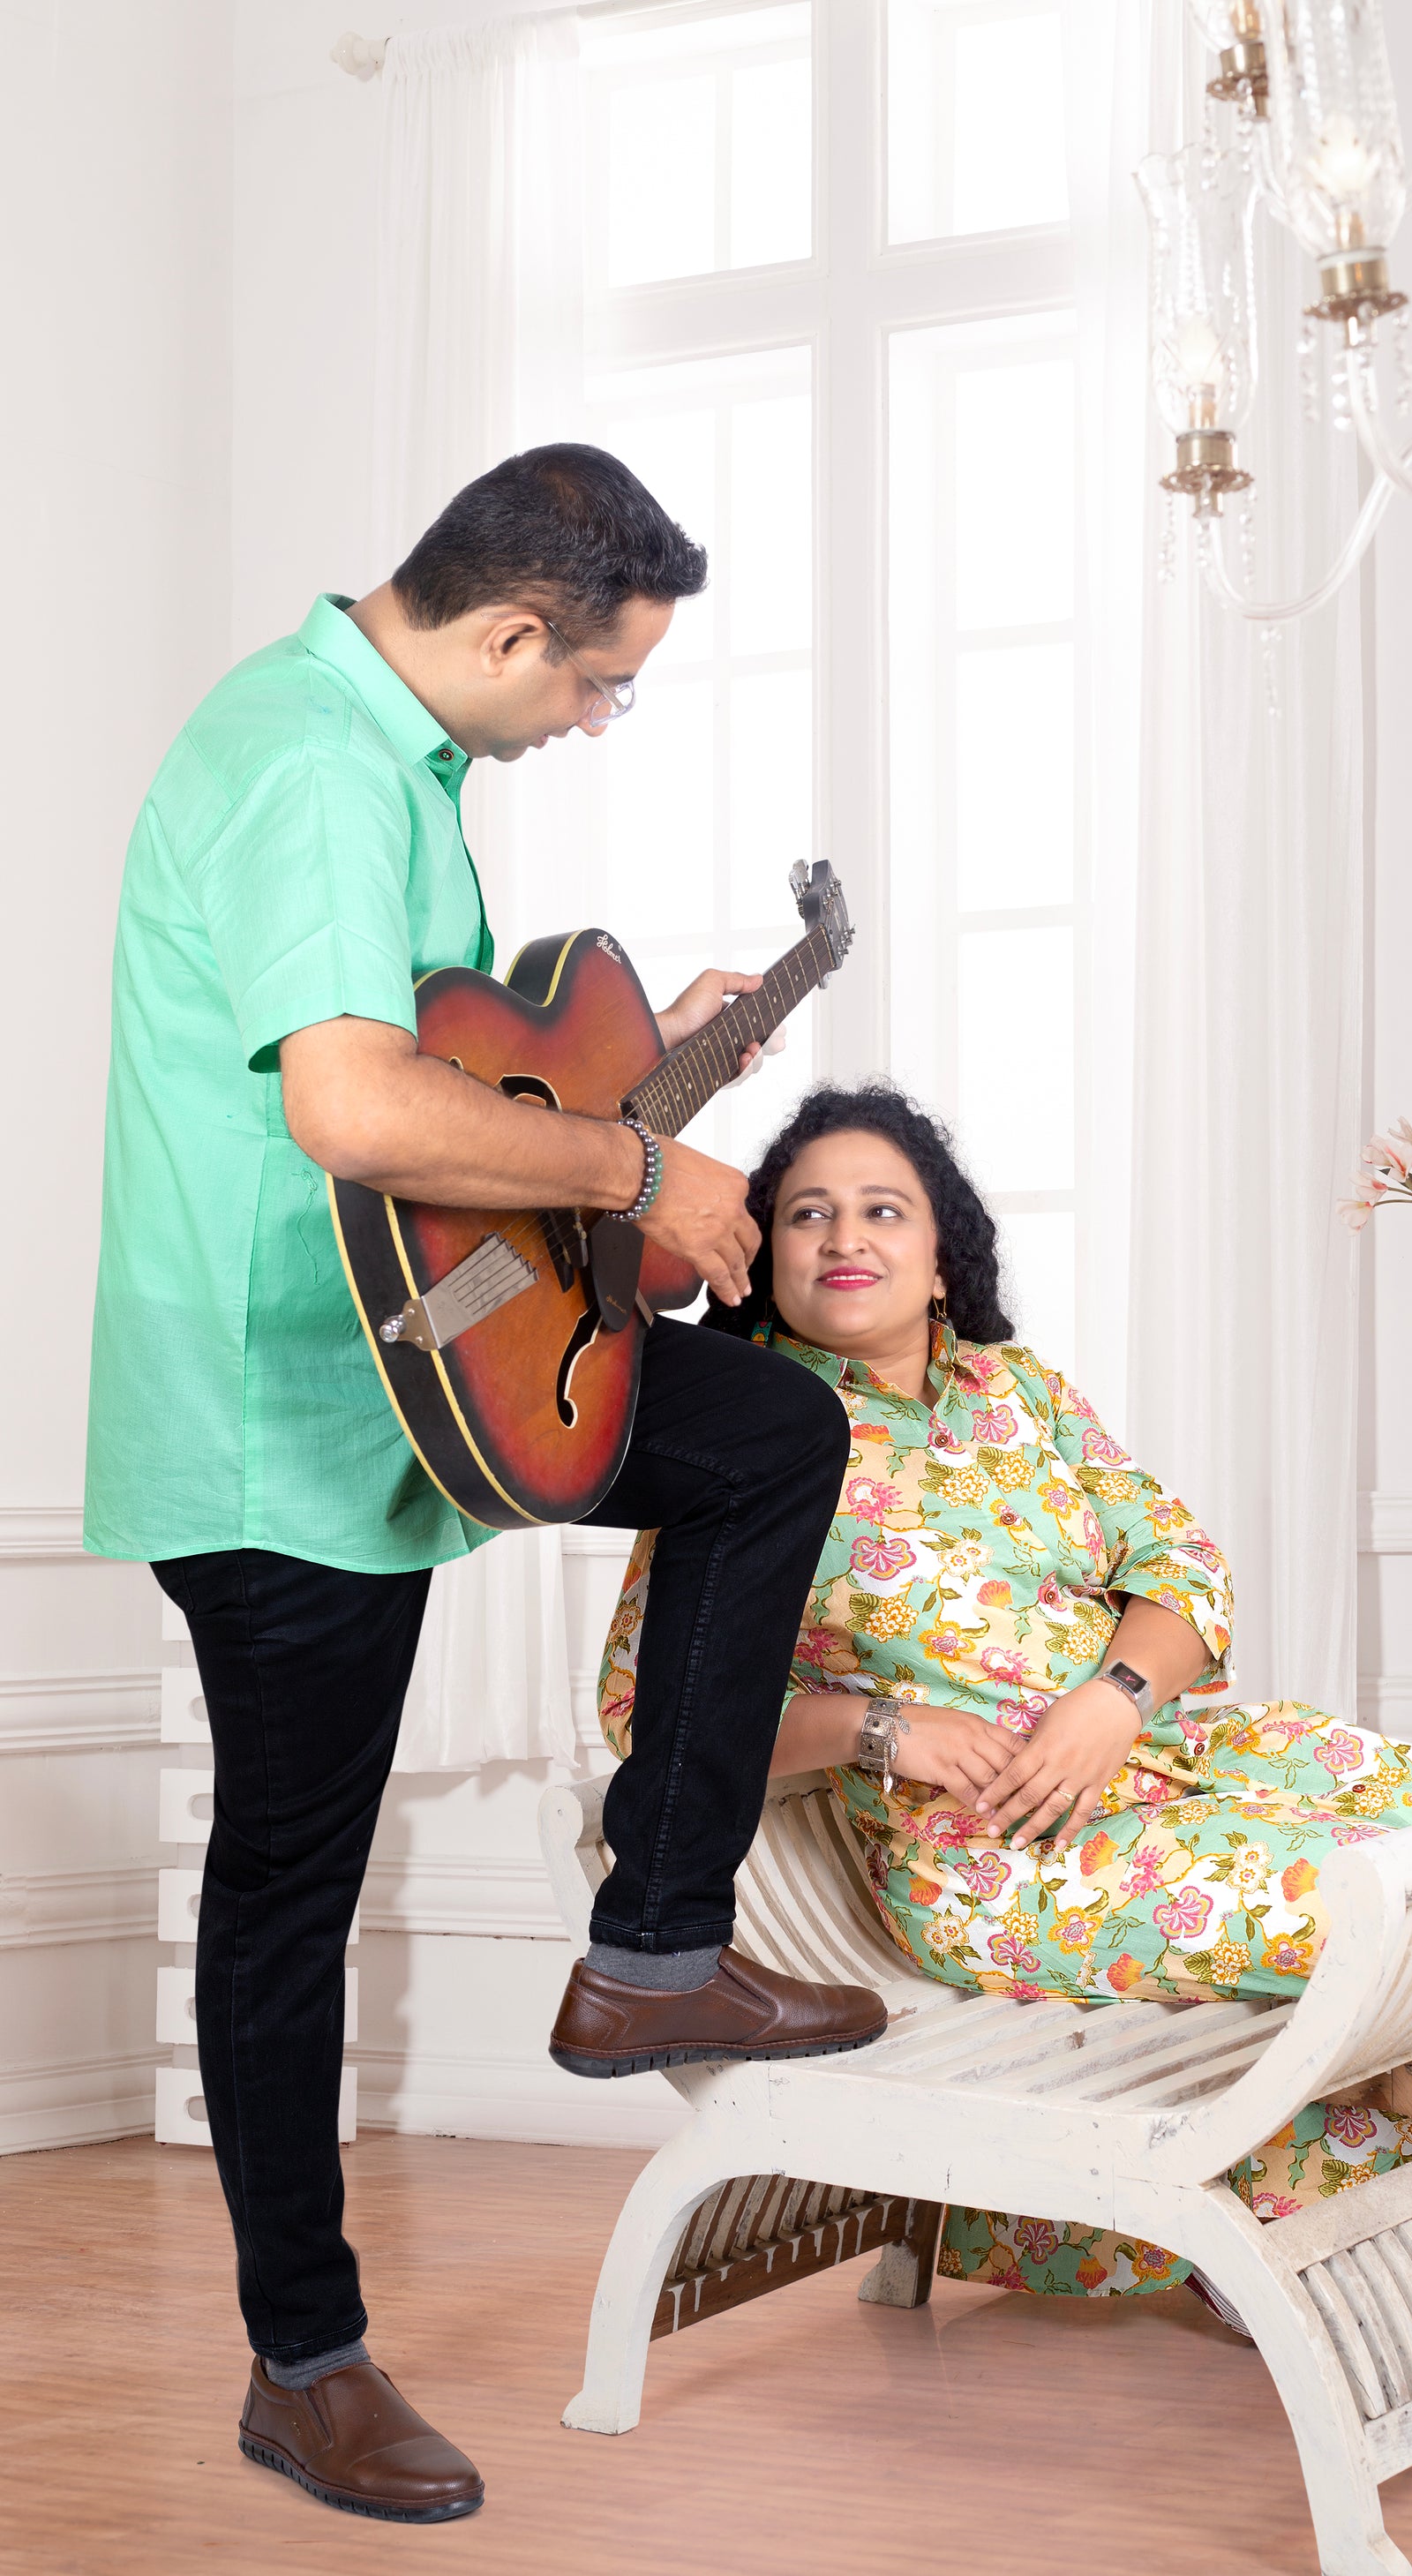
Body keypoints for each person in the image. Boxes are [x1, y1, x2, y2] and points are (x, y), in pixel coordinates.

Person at [85, 447, 882, 2524]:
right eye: (600, 680)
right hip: (277, 1416)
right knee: (292, 1882)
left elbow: (438, 1063)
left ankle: (654, 1943)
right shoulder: (314, 767)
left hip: (420, 1365)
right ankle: (306, 2360)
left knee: (768, 1434)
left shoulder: (389, 766)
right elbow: (358, 1108)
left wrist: (642, 1065)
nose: (599, 718)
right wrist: (641, 1161)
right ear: (516, 628)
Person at [597, 1080, 1412, 2308]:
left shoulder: (1020, 1394)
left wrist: (1113, 1696)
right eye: (808, 1214)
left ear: (943, 1262)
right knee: (1370, 1910)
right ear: (760, 1257)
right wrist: (880, 1728)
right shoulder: (745, 1433)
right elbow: (646, 1712)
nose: (844, 1237)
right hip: (997, 1849)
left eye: (882, 1210)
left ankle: (1393, 2136)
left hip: (1189, 1754)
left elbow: (1183, 1567)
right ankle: (1373, 2195)